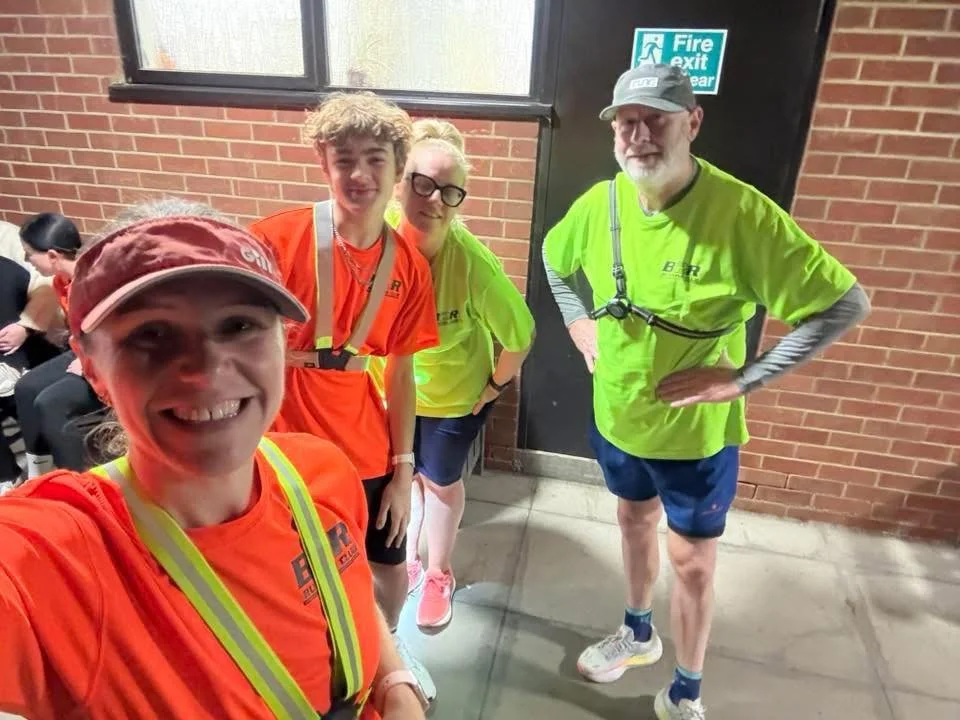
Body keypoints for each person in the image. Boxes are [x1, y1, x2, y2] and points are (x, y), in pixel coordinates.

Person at [0, 203, 429, 720]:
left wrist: (394, 679)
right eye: (151, 334)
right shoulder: (59, 562)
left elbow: (348, 589)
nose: (205, 370)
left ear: (283, 342)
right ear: (91, 367)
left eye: (239, 324)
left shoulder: (320, 473)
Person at [542, 64, 870, 720]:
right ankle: (637, 632)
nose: (638, 136)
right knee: (632, 519)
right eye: (626, 122)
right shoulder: (600, 205)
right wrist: (581, 326)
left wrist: (745, 378)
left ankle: (686, 690)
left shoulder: (742, 217)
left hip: (694, 437)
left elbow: (844, 304)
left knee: (691, 563)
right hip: (617, 413)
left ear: (692, 123)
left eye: (655, 119)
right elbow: (556, 259)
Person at [250, 92, 440, 701]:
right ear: (322, 162)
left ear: (397, 167)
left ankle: (383, 647)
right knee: (289, 567)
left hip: (363, 441)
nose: (358, 175)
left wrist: (404, 468)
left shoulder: (407, 263)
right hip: (279, 441)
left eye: (375, 159)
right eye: (344, 159)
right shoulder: (275, 241)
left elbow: (403, 372)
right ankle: (303, 659)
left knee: (385, 563)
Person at [382, 119, 535, 629]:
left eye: (450, 191)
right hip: (392, 391)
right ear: (400, 182)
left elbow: (520, 335)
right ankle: (407, 556)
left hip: (453, 399)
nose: (435, 200)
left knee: (441, 480)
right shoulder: (374, 237)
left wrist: (493, 387)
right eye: (422, 183)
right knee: (406, 476)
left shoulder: (472, 264)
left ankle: (439, 572)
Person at [13, 213, 103, 476]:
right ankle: (38, 473)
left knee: (51, 404)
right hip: (81, 350)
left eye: (30, 254)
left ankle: (78, 481)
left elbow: (113, 334)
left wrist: (87, 360)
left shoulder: (95, 281)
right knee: (26, 387)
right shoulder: (60, 282)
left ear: (52, 255)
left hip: (106, 358)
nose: (27, 260)